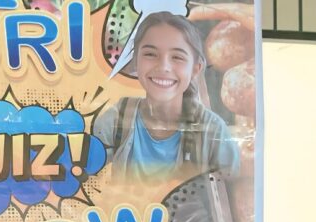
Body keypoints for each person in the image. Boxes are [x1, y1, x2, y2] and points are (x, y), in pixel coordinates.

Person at [94, 12, 239, 183]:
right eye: (150, 54)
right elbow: (82, 171)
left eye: (177, 57)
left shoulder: (212, 132)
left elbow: (232, 191)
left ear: (196, 69)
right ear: (135, 61)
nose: (163, 67)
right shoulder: (116, 120)